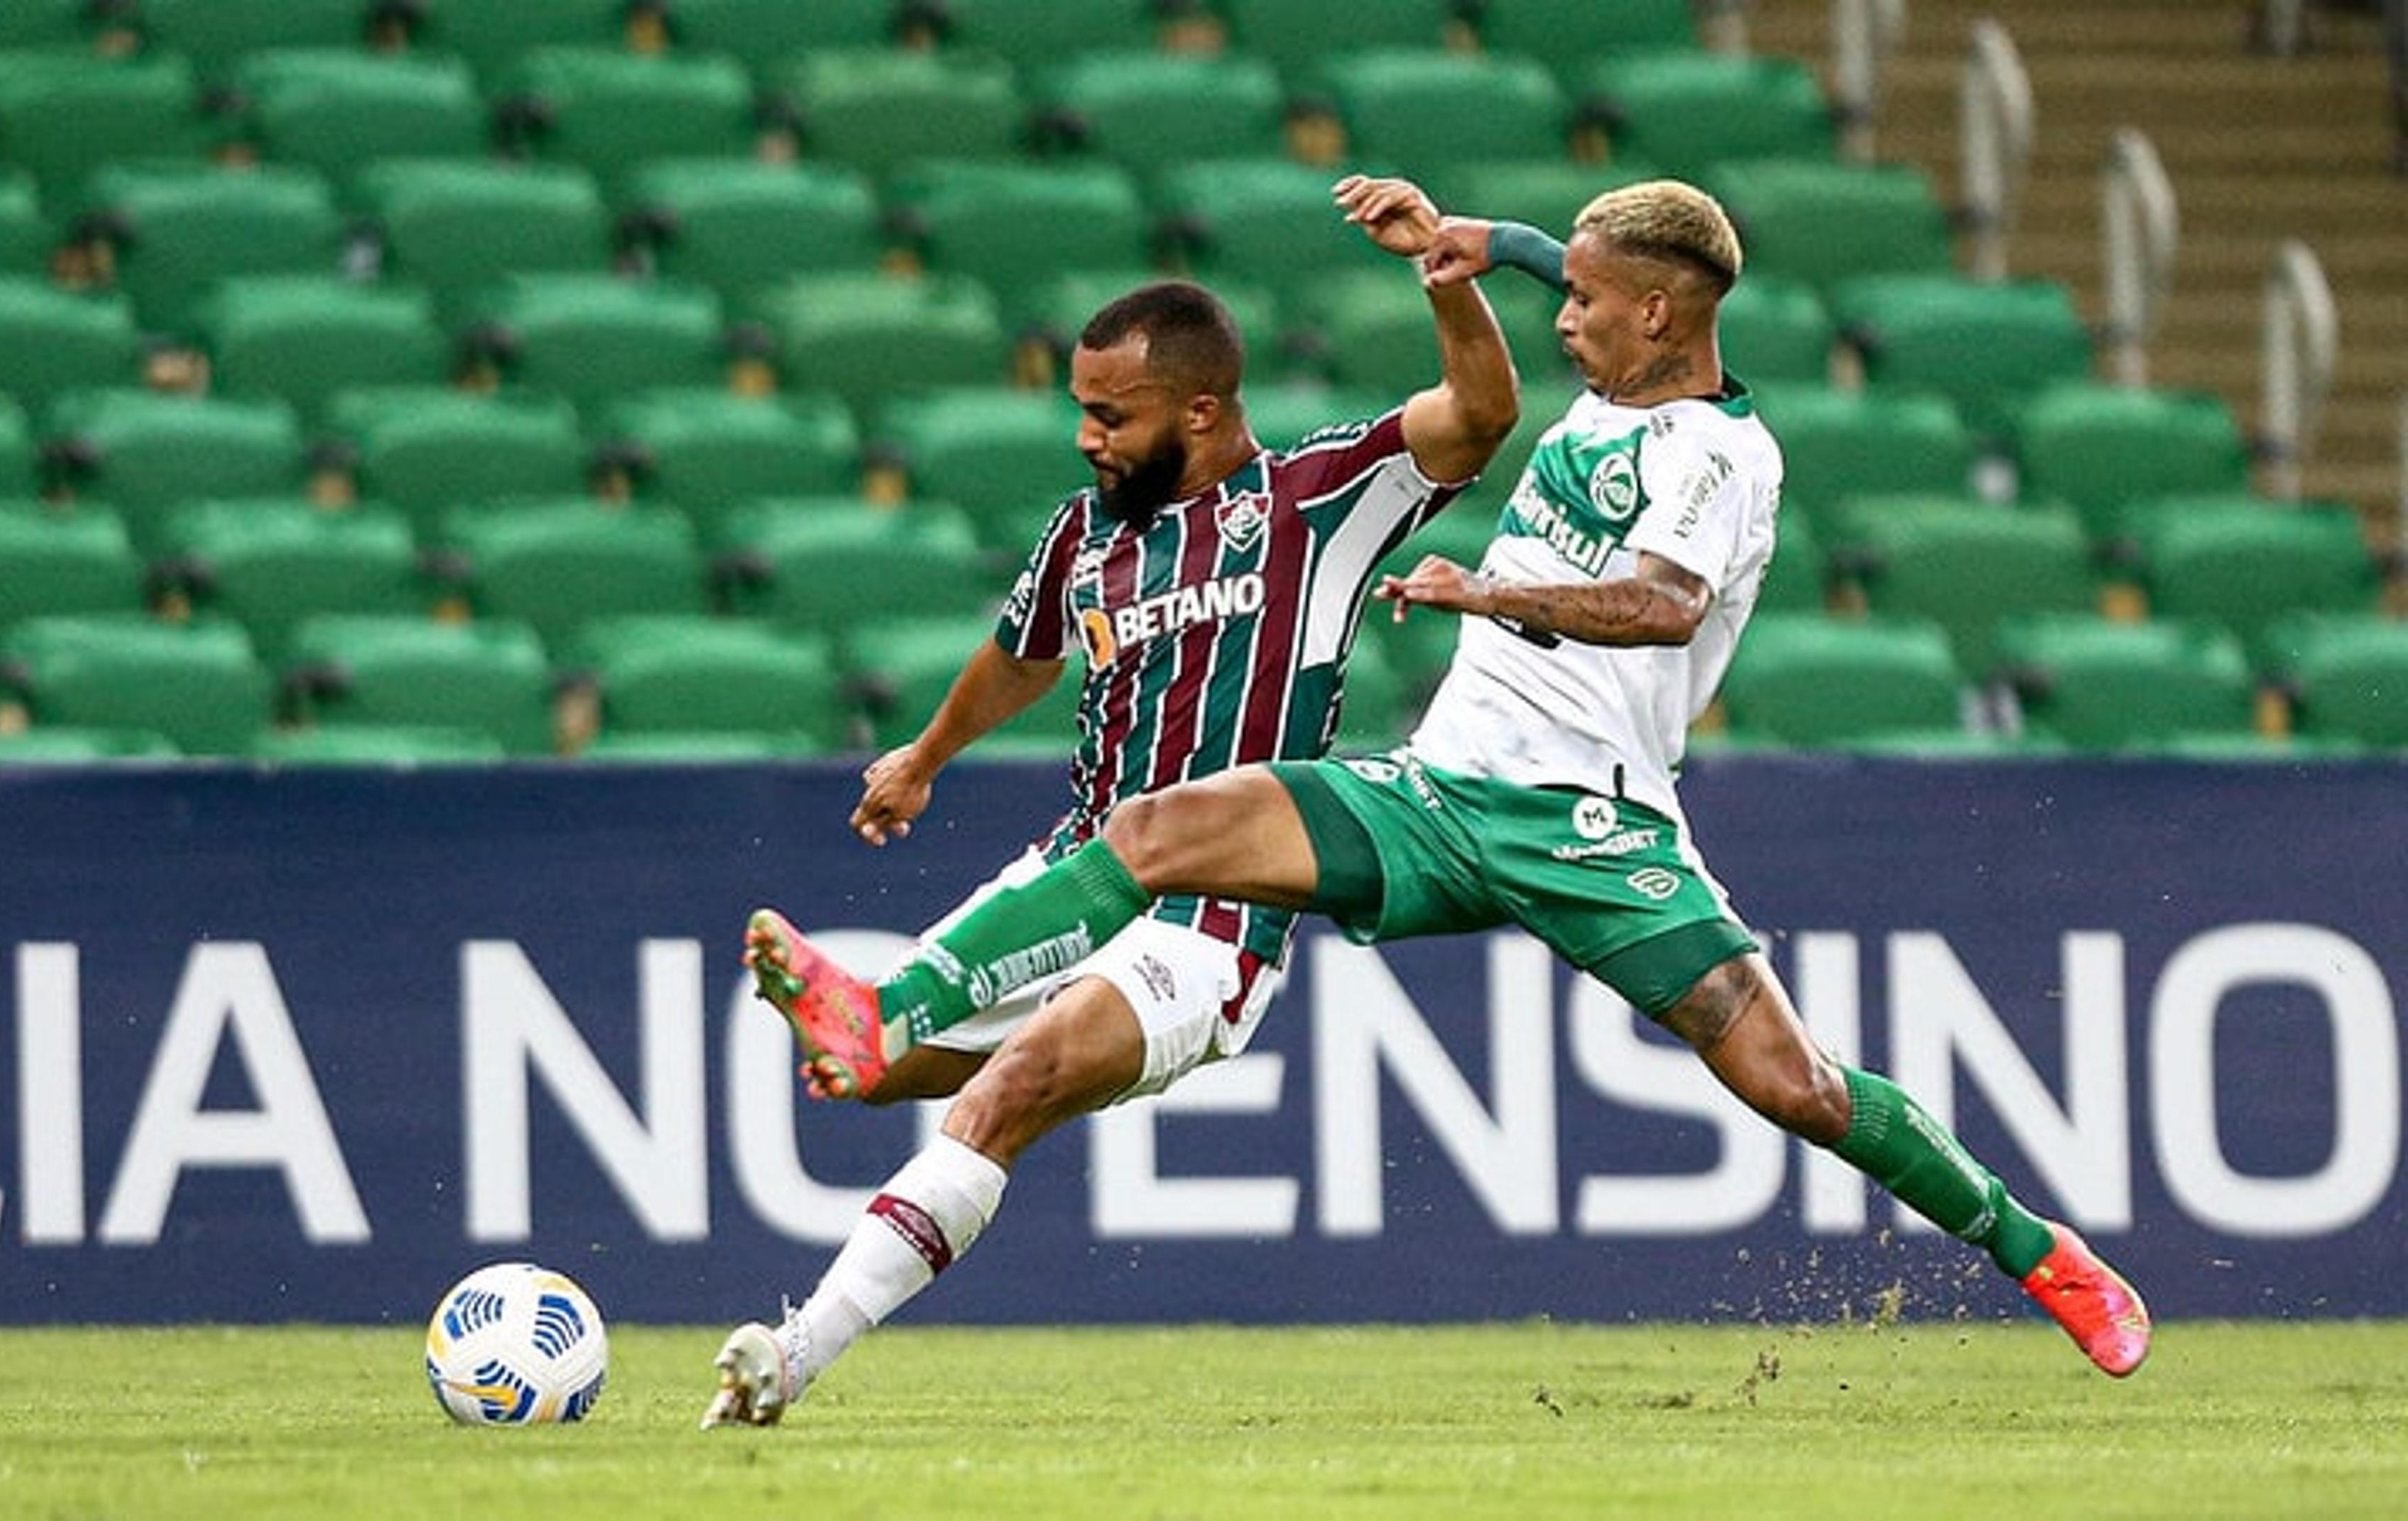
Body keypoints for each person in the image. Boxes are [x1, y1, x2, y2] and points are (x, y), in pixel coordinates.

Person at [743, 177, 2154, 1383]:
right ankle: (890, 1013)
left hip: (1594, 824)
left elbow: (1663, 607)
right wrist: (1476, 243)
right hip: (1440, 791)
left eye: (1588, 304)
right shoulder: (1621, 370)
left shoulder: (1721, 455)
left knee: (1793, 1084)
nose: (1566, 317)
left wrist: (1485, 594)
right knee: (1157, 827)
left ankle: (2039, 1252)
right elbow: (1574, 271)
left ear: (1659, 315)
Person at [697, 175, 1522, 1428]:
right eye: (1079, 410)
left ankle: (794, 1353)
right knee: (869, 1076)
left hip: (1212, 920)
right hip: (1075, 870)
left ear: (1200, 408)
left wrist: (1448, 278)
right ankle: (868, 1027)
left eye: (1110, 415)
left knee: (1013, 1083)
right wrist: (925, 755)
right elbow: (1027, 653)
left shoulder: (1314, 505)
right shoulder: (1090, 536)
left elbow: (1479, 414)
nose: (1088, 436)